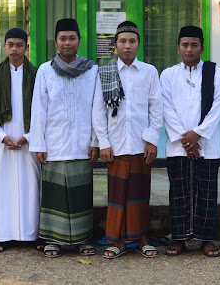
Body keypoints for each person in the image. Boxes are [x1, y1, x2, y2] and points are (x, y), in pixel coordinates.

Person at [29, 18, 103, 258]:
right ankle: (52, 240)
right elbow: (38, 110)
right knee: (54, 194)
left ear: (79, 41)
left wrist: (95, 141)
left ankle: (83, 240)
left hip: (82, 142)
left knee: (81, 194)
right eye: (62, 38)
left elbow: (97, 107)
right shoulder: (45, 70)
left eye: (72, 38)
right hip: (54, 142)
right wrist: (38, 143)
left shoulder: (92, 70)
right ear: (56, 41)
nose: (67, 42)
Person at [93, 20, 163, 260]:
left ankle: (141, 239)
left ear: (138, 44)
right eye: (122, 41)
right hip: (116, 144)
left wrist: (152, 140)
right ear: (115, 45)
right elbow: (98, 111)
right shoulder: (104, 72)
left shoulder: (149, 72)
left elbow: (157, 108)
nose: (127, 46)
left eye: (132, 41)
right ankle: (117, 241)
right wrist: (103, 141)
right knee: (117, 195)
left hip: (141, 144)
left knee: (140, 194)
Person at [159, 26, 220, 258]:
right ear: (178, 48)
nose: (189, 49)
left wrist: (198, 134)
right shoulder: (168, 75)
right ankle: (179, 239)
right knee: (178, 192)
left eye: (194, 45)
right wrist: (187, 141)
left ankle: (206, 240)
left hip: (207, 145)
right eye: (185, 45)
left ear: (202, 47)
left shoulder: (215, 72)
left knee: (206, 193)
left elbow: (219, 106)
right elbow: (166, 109)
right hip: (178, 147)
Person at [0, 28, 40, 253]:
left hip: (29, 140)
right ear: (4, 47)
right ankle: (3, 235)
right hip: (3, 141)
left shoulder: (37, 75)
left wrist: (28, 137)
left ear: (27, 47)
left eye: (19, 44)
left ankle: (31, 234)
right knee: (3, 187)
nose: (14, 49)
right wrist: (2, 137)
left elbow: (43, 111)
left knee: (30, 186)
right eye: (10, 45)